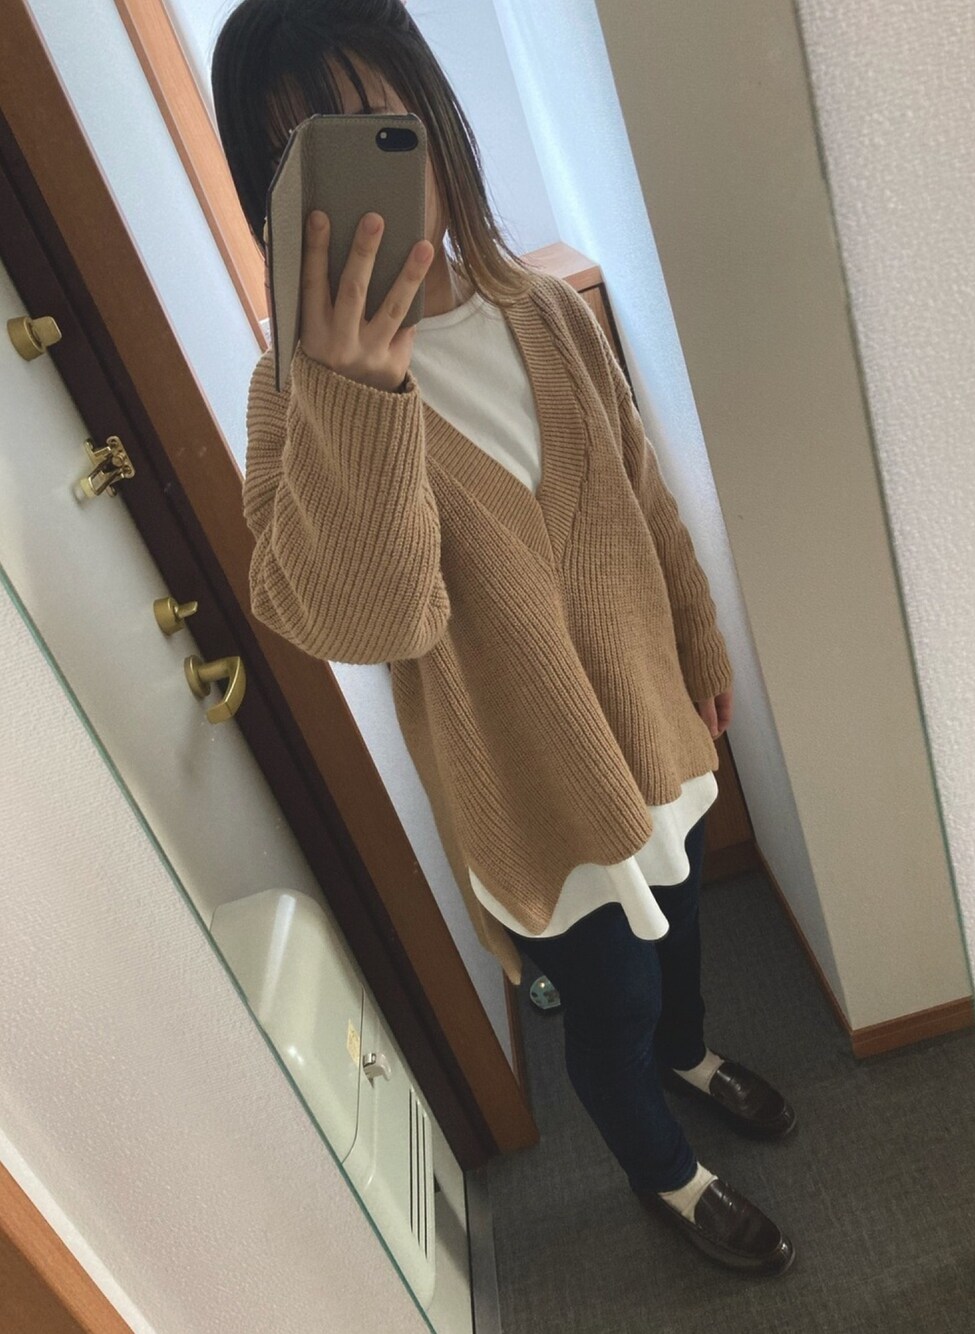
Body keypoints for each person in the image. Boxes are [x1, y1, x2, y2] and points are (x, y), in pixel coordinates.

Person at [212, 0, 796, 1278]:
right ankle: (666, 1168)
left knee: (684, 924)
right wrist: (359, 396)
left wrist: (700, 648)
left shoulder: (542, 306)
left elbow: (641, 495)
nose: (357, 187)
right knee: (609, 998)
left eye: (375, 126)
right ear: (271, 198)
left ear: (432, 120)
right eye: (300, 153)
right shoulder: (293, 406)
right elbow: (372, 619)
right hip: (529, 786)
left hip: (650, 718)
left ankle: (691, 1053)